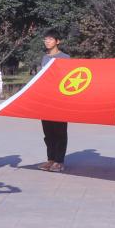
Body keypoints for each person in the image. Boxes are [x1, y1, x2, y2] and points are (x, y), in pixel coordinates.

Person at [38, 30, 70, 172]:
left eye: (50, 39)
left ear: (58, 41)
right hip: (46, 101)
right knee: (48, 133)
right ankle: (50, 159)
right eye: (45, 39)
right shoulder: (44, 58)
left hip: (60, 101)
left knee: (60, 132)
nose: (47, 41)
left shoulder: (65, 58)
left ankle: (59, 161)